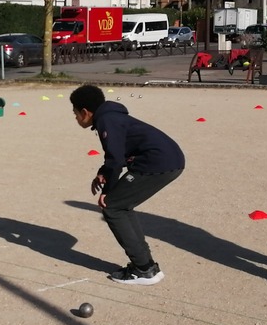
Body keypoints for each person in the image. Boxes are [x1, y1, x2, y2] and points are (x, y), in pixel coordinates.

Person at [68, 84, 185, 285]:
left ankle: (144, 269)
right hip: (166, 159)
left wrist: (108, 190)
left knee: (112, 206)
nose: (76, 118)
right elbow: (116, 157)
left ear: (86, 112)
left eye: (76, 114)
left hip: (158, 162)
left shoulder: (107, 120)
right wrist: (104, 173)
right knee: (121, 205)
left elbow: (116, 160)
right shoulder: (110, 116)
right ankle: (146, 265)